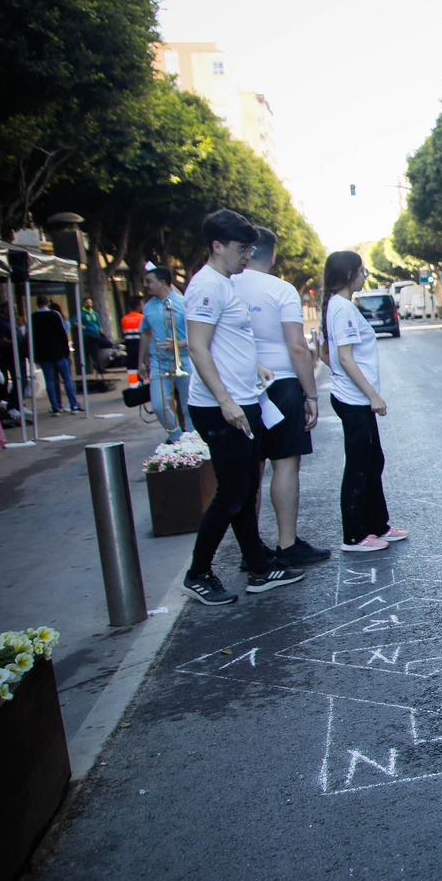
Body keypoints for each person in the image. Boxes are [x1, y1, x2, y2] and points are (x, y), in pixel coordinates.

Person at [182, 210, 305, 606]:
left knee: (245, 486)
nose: (247, 256)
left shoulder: (225, 282)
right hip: (223, 406)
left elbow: (224, 341)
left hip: (244, 397)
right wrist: (225, 401)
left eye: (251, 248)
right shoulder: (206, 286)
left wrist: (253, 366)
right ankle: (198, 572)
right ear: (217, 246)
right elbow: (197, 347)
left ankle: (258, 566)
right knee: (231, 493)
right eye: (240, 248)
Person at [235, 227, 329, 567]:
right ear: (272, 255)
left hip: (240, 384)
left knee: (251, 471)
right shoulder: (280, 289)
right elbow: (297, 346)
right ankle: (287, 544)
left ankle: (251, 548)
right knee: (285, 466)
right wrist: (311, 394)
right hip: (282, 383)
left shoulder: (226, 284)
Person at [323, 251, 407, 553]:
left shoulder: (337, 305)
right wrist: (372, 395)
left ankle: (377, 525)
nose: (365, 275)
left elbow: (327, 353)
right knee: (359, 466)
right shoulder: (342, 308)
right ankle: (355, 535)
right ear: (349, 275)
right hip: (354, 399)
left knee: (373, 461)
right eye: (362, 271)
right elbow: (344, 357)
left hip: (353, 396)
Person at [137, 266, 192, 442]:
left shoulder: (184, 303)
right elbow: (146, 333)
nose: (145, 285)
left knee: (188, 406)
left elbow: (198, 335)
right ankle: (177, 439)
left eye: (149, 281)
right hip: (158, 363)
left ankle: (194, 443)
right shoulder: (147, 307)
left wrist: (178, 344)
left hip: (184, 360)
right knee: (158, 406)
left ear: (162, 283)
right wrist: (140, 361)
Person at [31, 295, 80, 414]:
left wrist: (35, 356)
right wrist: (66, 351)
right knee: (66, 378)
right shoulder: (55, 315)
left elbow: (33, 338)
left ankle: (55, 406)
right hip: (58, 352)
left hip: (43, 354)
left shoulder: (33, 317)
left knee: (49, 380)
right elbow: (62, 334)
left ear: (37, 304)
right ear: (47, 303)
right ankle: (73, 404)